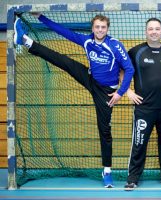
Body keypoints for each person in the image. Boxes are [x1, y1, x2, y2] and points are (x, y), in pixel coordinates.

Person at [13, 14, 135, 188]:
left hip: (106, 93)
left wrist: (120, 93)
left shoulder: (114, 45)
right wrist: (41, 18)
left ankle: (107, 171)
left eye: (103, 27)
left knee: (105, 130)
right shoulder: (87, 41)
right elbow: (64, 32)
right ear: (92, 28)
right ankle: (25, 40)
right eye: (97, 27)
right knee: (64, 61)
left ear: (107, 29)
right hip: (90, 79)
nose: (100, 30)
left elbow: (129, 69)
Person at [123, 18, 161, 191]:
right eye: (151, 29)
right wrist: (127, 91)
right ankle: (133, 178)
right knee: (139, 143)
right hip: (144, 108)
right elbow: (121, 70)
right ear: (146, 31)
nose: (154, 32)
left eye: (157, 29)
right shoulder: (136, 51)